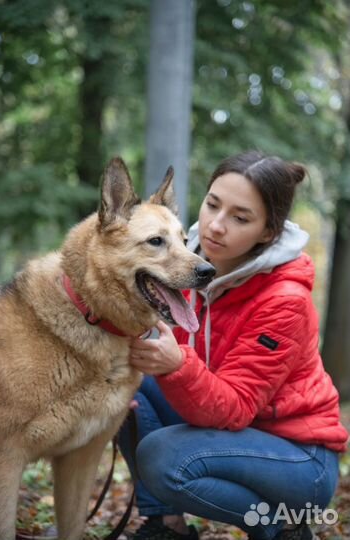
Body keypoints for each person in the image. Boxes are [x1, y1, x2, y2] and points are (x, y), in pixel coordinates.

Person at [118, 151, 348, 540]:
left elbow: (236, 407)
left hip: (298, 459)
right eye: (212, 205)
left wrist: (176, 365)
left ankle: (279, 526)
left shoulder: (284, 299)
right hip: (228, 436)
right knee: (125, 379)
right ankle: (165, 524)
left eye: (240, 218)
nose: (216, 226)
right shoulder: (186, 265)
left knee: (163, 457)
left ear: (268, 233)